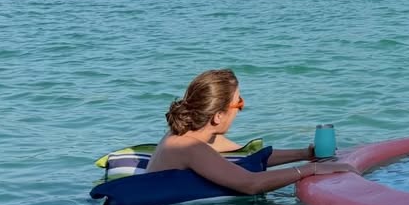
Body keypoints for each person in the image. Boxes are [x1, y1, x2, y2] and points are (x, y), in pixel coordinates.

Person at [146, 68, 352, 193]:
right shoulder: (189, 146)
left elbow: (247, 154)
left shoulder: (189, 134)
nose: (241, 110)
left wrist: (305, 155)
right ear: (218, 116)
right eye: (239, 104)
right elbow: (250, 184)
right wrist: (311, 170)